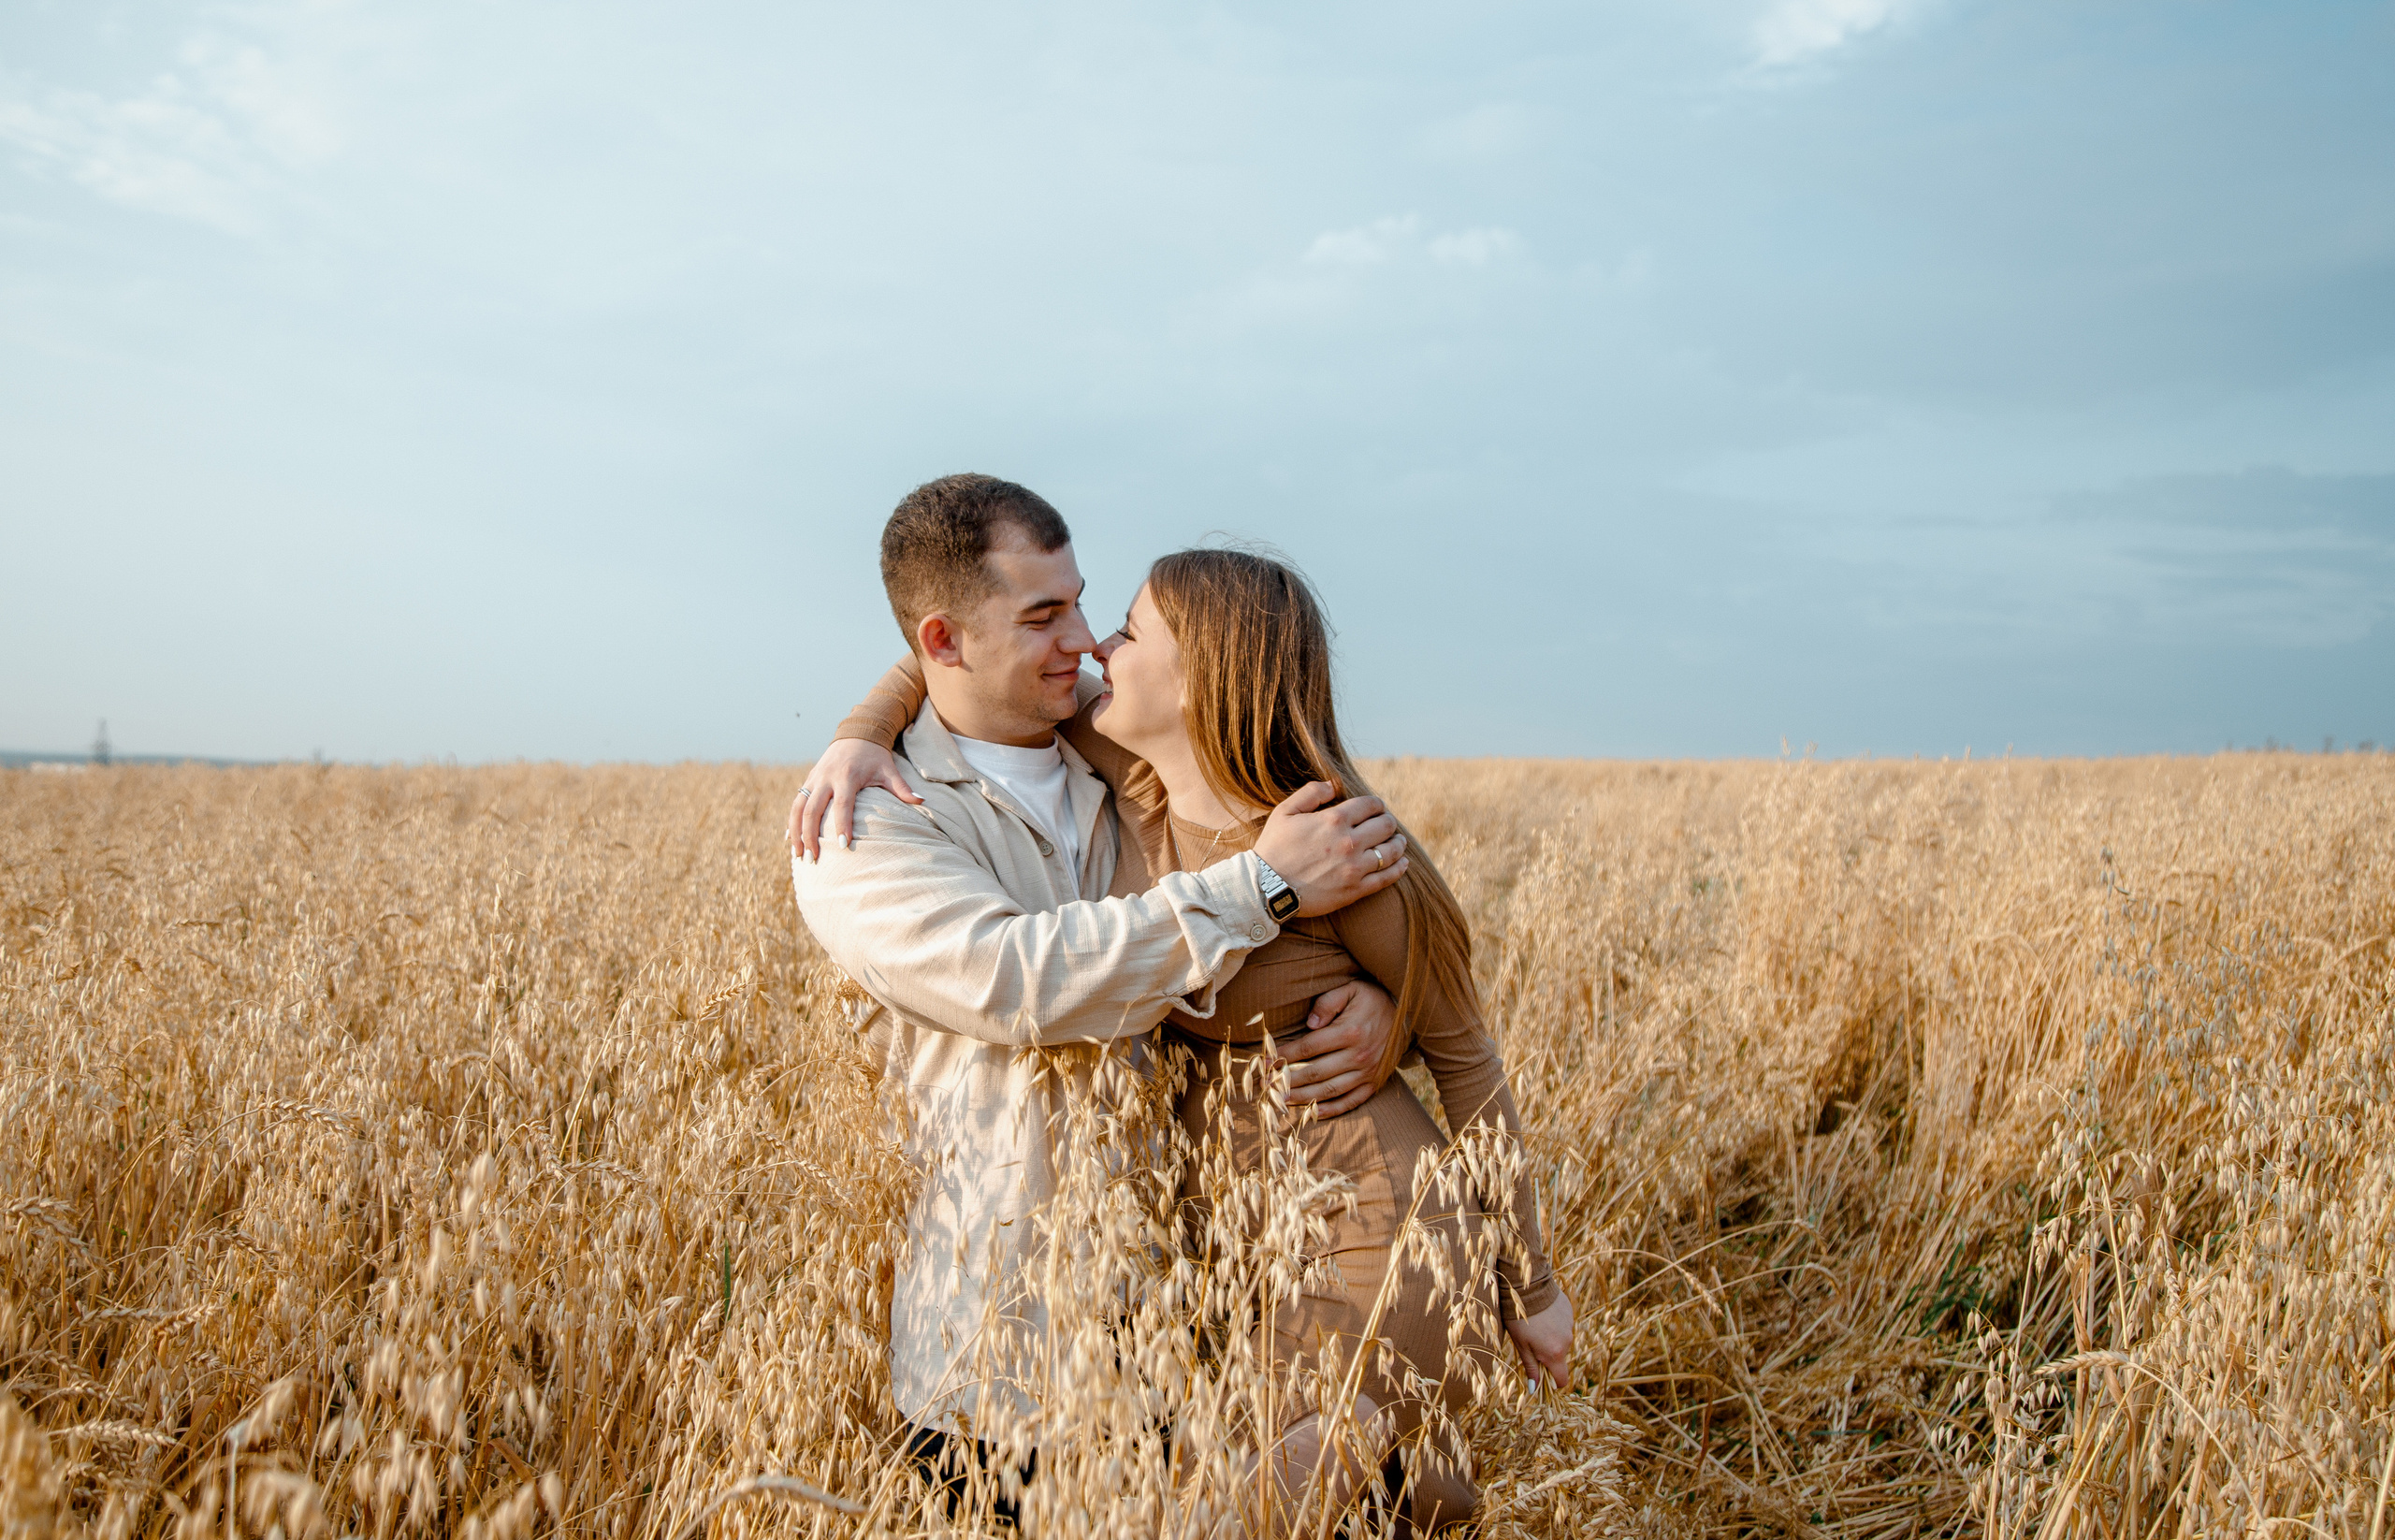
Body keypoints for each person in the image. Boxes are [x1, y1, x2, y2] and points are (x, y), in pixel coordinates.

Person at [806, 545, 1576, 1532]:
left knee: (1269, 1509)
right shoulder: (1132, 777)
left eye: (1125, 630)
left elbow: (1466, 1053)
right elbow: (957, 649)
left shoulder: (1340, 837)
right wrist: (858, 732)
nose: (1093, 646)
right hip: (1244, 1244)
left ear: (1202, 675)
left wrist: (1533, 1284)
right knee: (1379, 1506)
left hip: (1379, 1232)